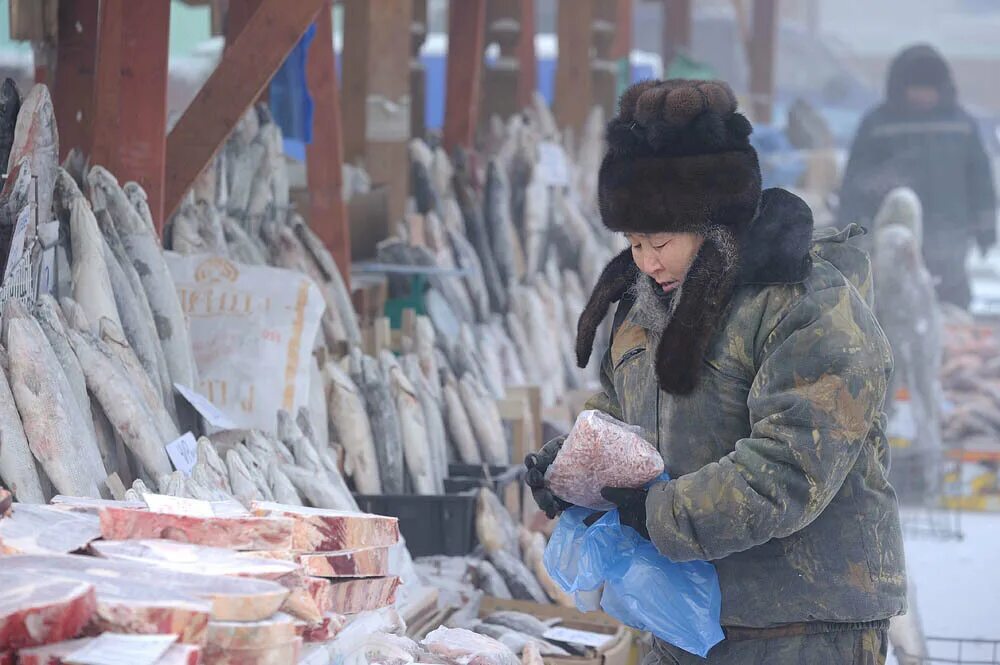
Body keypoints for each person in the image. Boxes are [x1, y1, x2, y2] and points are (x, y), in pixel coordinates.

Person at [525, 79, 906, 665]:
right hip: (685, 616)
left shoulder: (808, 308)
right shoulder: (648, 302)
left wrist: (657, 514)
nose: (644, 261)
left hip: (801, 628)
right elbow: (622, 417)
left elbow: (787, 469)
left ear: (715, 225)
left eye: (658, 240)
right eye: (631, 241)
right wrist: (576, 471)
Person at [837, 44, 997, 309]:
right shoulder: (877, 125)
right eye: (917, 88)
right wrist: (852, 232)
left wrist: (985, 229)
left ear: (942, 88)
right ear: (900, 87)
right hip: (893, 240)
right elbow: (856, 183)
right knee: (896, 304)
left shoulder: (961, 125)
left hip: (950, 237)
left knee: (951, 304)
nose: (923, 96)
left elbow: (979, 179)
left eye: (929, 89)